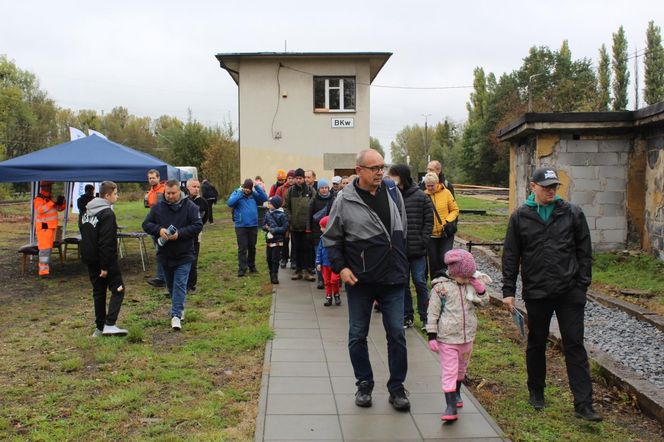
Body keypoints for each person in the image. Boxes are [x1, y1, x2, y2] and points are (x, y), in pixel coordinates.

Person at [502, 166, 602, 421]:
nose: (551, 191)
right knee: (537, 341)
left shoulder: (572, 214)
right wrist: (508, 291)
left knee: (574, 343)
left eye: (554, 186)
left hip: (569, 291)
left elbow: (584, 252)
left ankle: (584, 404)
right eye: (545, 186)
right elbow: (511, 256)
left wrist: (582, 285)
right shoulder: (520, 217)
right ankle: (536, 391)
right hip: (537, 291)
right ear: (533, 187)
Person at [322, 149, 411, 411]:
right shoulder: (344, 199)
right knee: (357, 335)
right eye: (374, 168)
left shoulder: (393, 193)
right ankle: (364, 383)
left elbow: (401, 230)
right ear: (358, 170)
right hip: (360, 281)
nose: (380, 172)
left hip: (393, 279)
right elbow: (331, 238)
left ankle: (397, 388)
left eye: (382, 167)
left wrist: (401, 261)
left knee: (396, 334)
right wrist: (341, 268)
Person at [426, 249, 490, 421]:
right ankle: (450, 406)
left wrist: (480, 289)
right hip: (447, 338)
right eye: (465, 276)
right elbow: (432, 312)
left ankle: (457, 393)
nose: (468, 278)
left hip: (467, 336)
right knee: (449, 371)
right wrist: (432, 335)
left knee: (461, 369)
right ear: (455, 273)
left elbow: (485, 303)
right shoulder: (441, 288)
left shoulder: (470, 284)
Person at [143, 180, 203, 330]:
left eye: (173, 193)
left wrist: (180, 234)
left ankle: (175, 315)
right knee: (170, 285)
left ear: (179, 192)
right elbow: (146, 224)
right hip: (165, 254)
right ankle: (179, 307)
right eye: (167, 193)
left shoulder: (190, 207)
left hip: (184, 254)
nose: (170, 196)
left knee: (180, 284)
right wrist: (159, 230)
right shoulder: (158, 207)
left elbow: (197, 225)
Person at [387, 164, 433, 330]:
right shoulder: (392, 196)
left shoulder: (421, 197)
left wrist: (423, 240)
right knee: (403, 284)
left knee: (420, 282)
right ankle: (407, 316)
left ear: (402, 176)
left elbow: (429, 221)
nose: (391, 179)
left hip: (418, 250)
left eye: (394, 175)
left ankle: (426, 317)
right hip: (400, 250)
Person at [80, 181, 127, 337]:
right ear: (107, 195)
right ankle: (110, 324)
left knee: (99, 292)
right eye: (115, 193)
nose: (117, 196)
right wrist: (105, 267)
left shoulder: (86, 212)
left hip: (90, 259)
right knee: (118, 289)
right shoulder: (107, 214)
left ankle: (99, 328)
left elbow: (85, 237)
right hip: (105, 261)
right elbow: (107, 242)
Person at [227, 178, 268, 276]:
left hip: (253, 225)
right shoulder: (237, 192)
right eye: (245, 188)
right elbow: (230, 203)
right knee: (242, 248)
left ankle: (252, 266)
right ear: (243, 186)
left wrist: (257, 187)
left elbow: (264, 198)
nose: (247, 190)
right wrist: (240, 193)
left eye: (249, 189)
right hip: (241, 226)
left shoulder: (253, 195)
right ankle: (242, 268)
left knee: (252, 247)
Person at [424, 172, 459, 280]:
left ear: (437, 183)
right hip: (431, 235)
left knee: (445, 258)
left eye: (432, 185)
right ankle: (435, 283)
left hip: (445, 233)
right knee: (433, 261)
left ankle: (446, 280)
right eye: (428, 186)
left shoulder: (446, 193)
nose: (430, 188)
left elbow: (455, 210)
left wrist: (447, 221)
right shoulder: (423, 195)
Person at [285, 168, 316, 281]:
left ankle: (307, 271)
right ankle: (298, 271)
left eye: (300, 178)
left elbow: (315, 205)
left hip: (307, 226)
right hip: (295, 226)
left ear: (303, 179)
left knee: (307, 249)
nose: (298, 180)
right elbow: (286, 207)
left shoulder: (310, 190)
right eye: (297, 178)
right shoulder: (290, 191)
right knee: (296, 248)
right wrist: (290, 218)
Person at [33, 181, 66, 277]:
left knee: (48, 249)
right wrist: (52, 202)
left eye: (51, 186)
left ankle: (46, 268)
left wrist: (62, 202)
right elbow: (40, 210)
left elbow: (59, 209)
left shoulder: (50, 198)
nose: (51, 187)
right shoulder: (38, 199)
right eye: (49, 186)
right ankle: (43, 272)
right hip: (44, 228)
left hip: (51, 227)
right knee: (44, 249)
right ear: (43, 187)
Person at [307, 178, 333, 289]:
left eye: (326, 187)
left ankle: (332, 278)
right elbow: (308, 216)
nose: (324, 190)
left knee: (331, 255)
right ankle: (321, 279)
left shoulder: (333, 199)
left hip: (331, 232)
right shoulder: (313, 200)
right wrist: (308, 229)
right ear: (318, 189)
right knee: (319, 255)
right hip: (317, 232)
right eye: (322, 188)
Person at [186, 179, 209, 293]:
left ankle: (191, 285)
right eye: (193, 186)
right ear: (188, 188)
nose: (196, 189)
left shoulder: (202, 202)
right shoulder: (184, 200)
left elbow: (203, 218)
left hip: (195, 234)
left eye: (198, 187)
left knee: (193, 260)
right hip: (184, 234)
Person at [146, 169, 167, 288]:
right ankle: (162, 276)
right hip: (153, 226)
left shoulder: (163, 190)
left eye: (153, 177)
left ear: (158, 178)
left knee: (161, 251)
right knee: (159, 251)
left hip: (162, 226)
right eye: (149, 178)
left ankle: (161, 277)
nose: (151, 180)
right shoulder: (150, 192)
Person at [262, 195, 289, 284]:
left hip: (278, 240)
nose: (269, 205)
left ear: (276, 205)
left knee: (275, 258)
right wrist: (266, 227)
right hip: (269, 240)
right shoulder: (267, 213)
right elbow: (263, 225)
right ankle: (270, 272)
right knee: (269, 258)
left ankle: (275, 274)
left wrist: (275, 230)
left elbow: (285, 227)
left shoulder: (282, 215)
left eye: (271, 203)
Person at [316, 216, 340, 306]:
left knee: (334, 280)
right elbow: (319, 250)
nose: (320, 229)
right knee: (327, 281)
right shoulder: (322, 238)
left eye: (322, 227)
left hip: (334, 264)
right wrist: (318, 262)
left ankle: (336, 294)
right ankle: (328, 296)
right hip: (325, 264)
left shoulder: (336, 239)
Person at [276, 170, 295, 268]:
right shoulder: (281, 189)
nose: (291, 180)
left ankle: (293, 260)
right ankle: (284, 258)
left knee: (295, 240)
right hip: (284, 217)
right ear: (286, 179)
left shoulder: (298, 189)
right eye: (289, 178)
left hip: (295, 218)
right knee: (285, 239)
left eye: (292, 178)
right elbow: (277, 202)